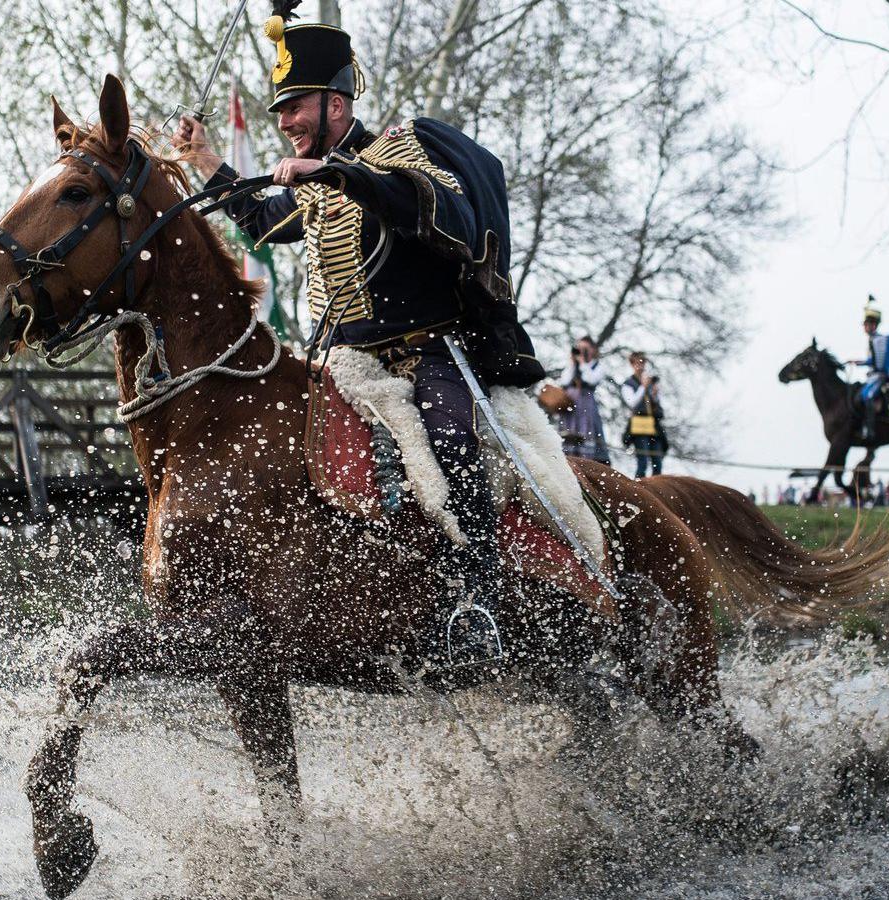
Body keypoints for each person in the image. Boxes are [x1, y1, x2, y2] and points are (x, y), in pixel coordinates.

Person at [175, 1, 544, 670]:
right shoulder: (315, 178)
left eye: (294, 107)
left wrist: (340, 173)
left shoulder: (403, 151)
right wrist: (204, 158)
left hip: (429, 354)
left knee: (452, 442)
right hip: (344, 361)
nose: (283, 122)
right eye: (278, 111)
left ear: (336, 103)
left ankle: (477, 604)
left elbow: (431, 209)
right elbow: (263, 221)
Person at [851, 300, 889, 443]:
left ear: (874, 325)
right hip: (874, 376)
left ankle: (870, 430)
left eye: (868, 324)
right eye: (865, 324)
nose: (866, 327)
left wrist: (861, 363)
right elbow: (872, 360)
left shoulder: (882, 340)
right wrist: (858, 362)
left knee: (868, 395)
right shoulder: (873, 340)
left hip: (882, 376)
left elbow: (880, 362)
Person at [554, 336, 611, 465]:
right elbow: (564, 381)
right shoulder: (573, 365)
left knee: (586, 432)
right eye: (579, 348)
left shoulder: (596, 366)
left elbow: (591, 379)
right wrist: (573, 363)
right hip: (570, 405)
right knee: (568, 434)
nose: (581, 351)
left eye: (585, 348)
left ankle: (587, 462)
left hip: (586, 405)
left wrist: (583, 363)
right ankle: (569, 460)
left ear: (592, 349)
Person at [620, 351, 667, 477]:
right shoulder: (628, 384)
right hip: (639, 426)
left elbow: (657, 404)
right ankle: (639, 490)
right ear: (632, 364)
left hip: (653, 425)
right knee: (643, 462)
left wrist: (655, 393)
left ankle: (657, 490)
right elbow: (632, 403)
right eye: (638, 362)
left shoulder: (650, 382)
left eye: (643, 362)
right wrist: (643, 387)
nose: (641, 365)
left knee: (657, 462)